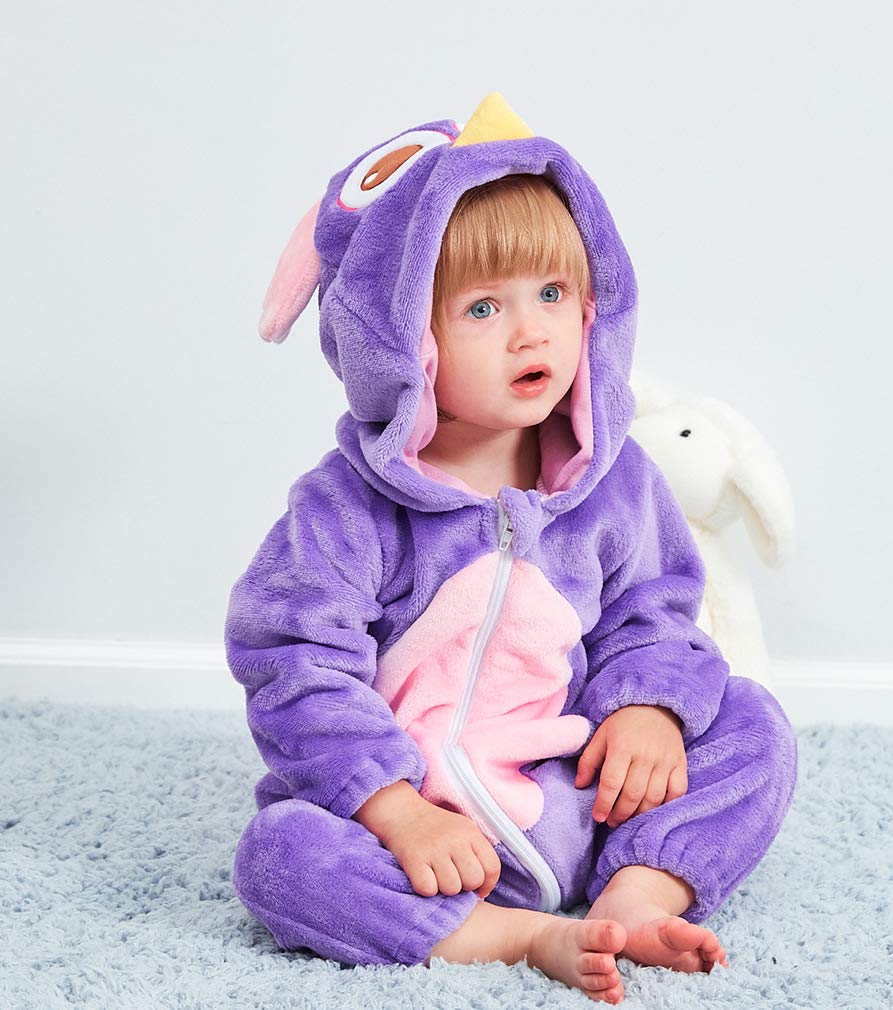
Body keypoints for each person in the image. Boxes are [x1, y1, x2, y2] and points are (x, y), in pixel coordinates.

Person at [226, 94, 798, 1005]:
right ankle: (516, 936)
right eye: (484, 307)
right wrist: (396, 809)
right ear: (403, 339)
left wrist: (648, 710)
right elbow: (294, 664)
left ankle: (637, 894)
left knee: (749, 723)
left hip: (578, 795)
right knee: (280, 856)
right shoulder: (344, 509)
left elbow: (654, 615)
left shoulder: (616, 483)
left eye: (553, 294)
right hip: (422, 830)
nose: (532, 331)